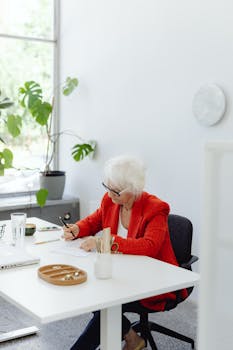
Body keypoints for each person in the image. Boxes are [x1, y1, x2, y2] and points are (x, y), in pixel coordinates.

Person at [63, 155, 188, 350]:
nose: (110, 195)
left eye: (116, 191)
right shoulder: (110, 200)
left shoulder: (156, 208)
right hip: (118, 273)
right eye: (107, 187)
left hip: (152, 280)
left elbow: (149, 246)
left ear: (134, 188)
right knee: (91, 291)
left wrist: (107, 242)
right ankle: (132, 337)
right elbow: (94, 221)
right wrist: (77, 229)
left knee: (102, 301)